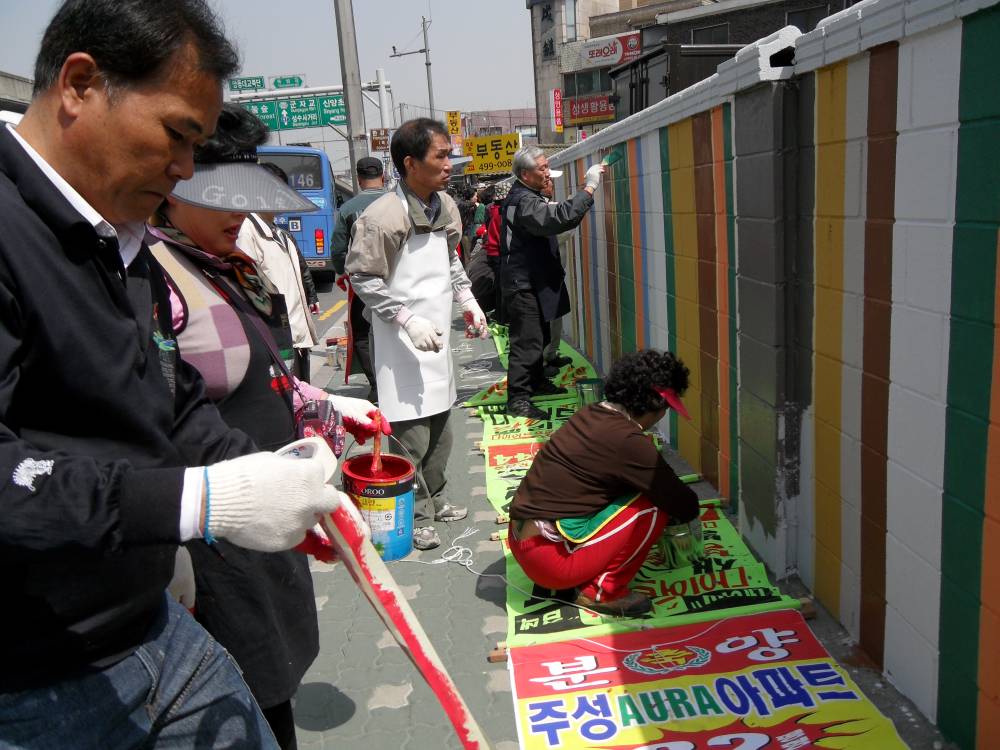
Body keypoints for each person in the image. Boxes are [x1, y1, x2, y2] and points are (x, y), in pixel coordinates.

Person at [0, 1, 342, 746]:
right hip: (34, 684)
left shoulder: (119, 239)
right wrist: (198, 502)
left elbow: (171, 397)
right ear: (80, 85)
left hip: (155, 630)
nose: (188, 169)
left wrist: (271, 476)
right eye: (178, 135)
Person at [148, 103, 387, 749]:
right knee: (244, 684)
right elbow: (159, 414)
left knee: (277, 668)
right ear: (172, 181)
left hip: (269, 503)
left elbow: (267, 369)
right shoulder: (149, 279)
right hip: (215, 527)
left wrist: (326, 402)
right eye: (221, 194)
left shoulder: (225, 265)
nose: (241, 212)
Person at [346, 118, 489, 551]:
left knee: (442, 427)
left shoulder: (445, 205)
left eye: (449, 155)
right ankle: (416, 513)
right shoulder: (382, 216)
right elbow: (363, 277)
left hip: (437, 335)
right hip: (400, 340)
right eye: (440, 156)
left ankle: (438, 497)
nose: (448, 164)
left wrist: (467, 299)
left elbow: (450, 260)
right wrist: (406, 319)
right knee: (411, 434)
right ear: (410, 163)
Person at [507, 350, 701, 617]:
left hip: (523, 544)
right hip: (551, 562)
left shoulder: (592, 413)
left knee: (637, 492)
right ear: (655, 404)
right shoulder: (628, 441)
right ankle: (601, 592)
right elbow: (684, 504)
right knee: (653, 507)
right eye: (666, 408)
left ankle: (585, 572)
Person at [500, 146, 604, 420]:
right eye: (543, 168)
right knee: (527, 342)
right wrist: (589, 188)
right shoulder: (524, 201)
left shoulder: (527, 196)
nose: (548, 173)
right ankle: (518, 399)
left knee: (540, 336)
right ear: (525, 174)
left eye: (547, 166)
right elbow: (558, 218)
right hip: (522, 281)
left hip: (533, 278)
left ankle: (535, 382)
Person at [237, 162, 320, 382]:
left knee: (301, 396)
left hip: (296, 338)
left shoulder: (279, 233)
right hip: (276, 342)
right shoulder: (247, 232)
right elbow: (248, 290)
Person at [331, 156, 387, 399]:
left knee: (363, 333)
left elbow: (338, 249)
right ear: (383, 176)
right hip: (397, 278)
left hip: (363, 280)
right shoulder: (397, 202)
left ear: (359, 179)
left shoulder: (348, 209)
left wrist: (341, 271)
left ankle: (376, 384)